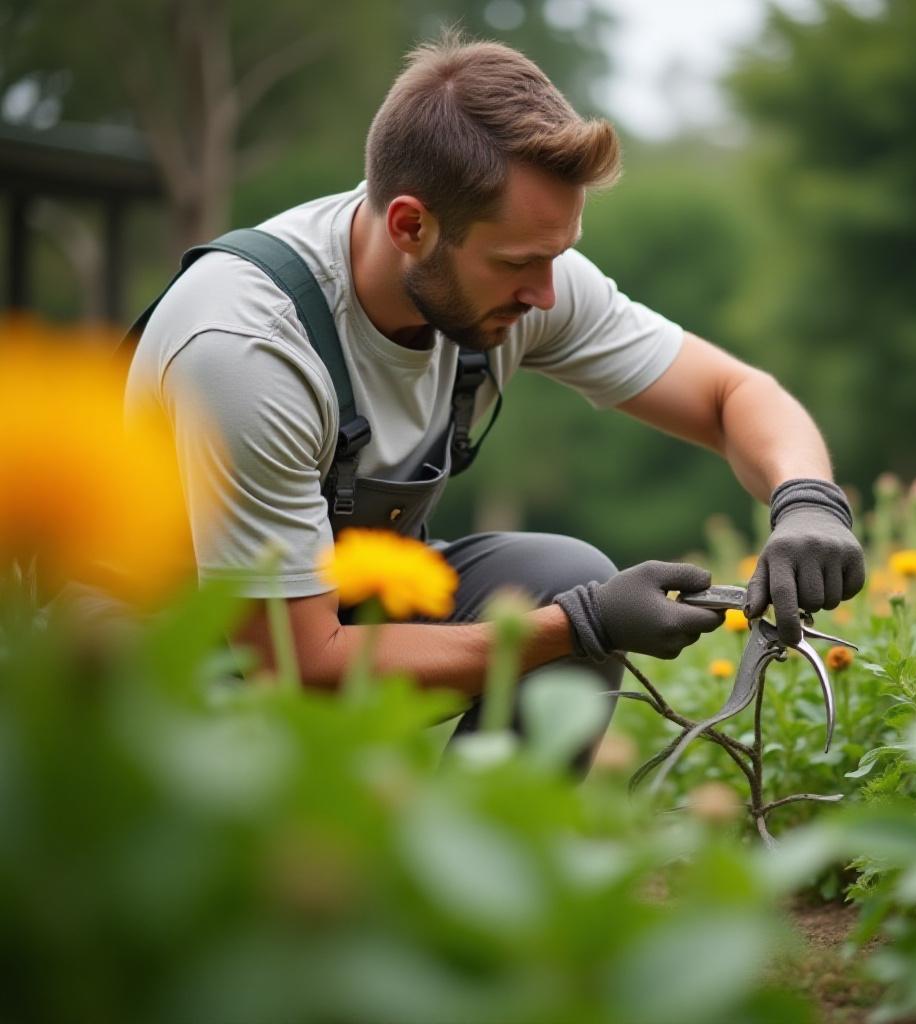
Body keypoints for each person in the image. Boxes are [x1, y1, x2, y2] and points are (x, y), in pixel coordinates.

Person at [125, 34, 864, 742]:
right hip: (151, 672)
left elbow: (732, 394)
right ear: (411, 225)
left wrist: (807, 502)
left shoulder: (513, 272)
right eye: (519, 264)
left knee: (562, 576)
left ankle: (476, 864)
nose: (546, 295)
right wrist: (581, 626)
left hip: (326, 617)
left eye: (558, 256)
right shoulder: (248, 345)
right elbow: (293, 664)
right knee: (572, 610)